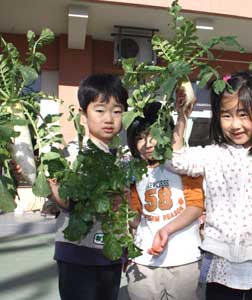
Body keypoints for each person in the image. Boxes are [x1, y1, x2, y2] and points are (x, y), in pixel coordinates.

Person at [171, 70, 252, 300]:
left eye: (243, 114)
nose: (235, 125)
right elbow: (176, 160)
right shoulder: (213, 154)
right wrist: (182, 117)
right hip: (221, 259)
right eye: (226, 115)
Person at [49, 74, 129, 300]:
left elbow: (124, 208)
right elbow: (65, 200)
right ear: (83, 116)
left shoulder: (123, 159)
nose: (109, 118)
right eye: (100, 110)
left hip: (110, 254)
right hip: (76, 253)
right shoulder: (71, 154)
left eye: (117, 111)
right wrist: (49, 184)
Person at [126, 101, 205, 300]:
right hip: (144, 259)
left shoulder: (183, 166)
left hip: (184, 258)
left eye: (153, 135)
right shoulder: (134, 174)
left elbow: (196, 206)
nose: (148, 143)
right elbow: (135, 217)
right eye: (140, 138)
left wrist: (166, 229)